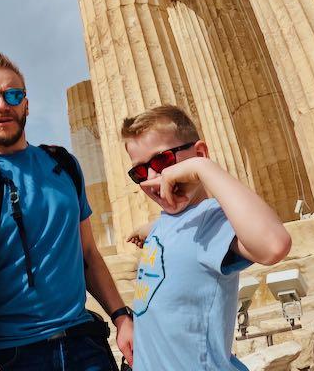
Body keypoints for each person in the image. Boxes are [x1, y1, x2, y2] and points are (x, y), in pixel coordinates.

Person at [0, 52, 134, 371]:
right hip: (15, 354)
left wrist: (121, 317)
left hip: (84, 344)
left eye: (13, 94)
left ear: (27, 104)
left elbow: (87, 253)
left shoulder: (63, 164)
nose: (2, 105)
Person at [121, 105, 292, 370]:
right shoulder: (164, 223)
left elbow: (274, 245)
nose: (154, 177)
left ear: (199, 152)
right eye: (140, 172)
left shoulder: (212, 221)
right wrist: (146, 230)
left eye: (162, 161)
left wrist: (203, 169)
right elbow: (172, 233)